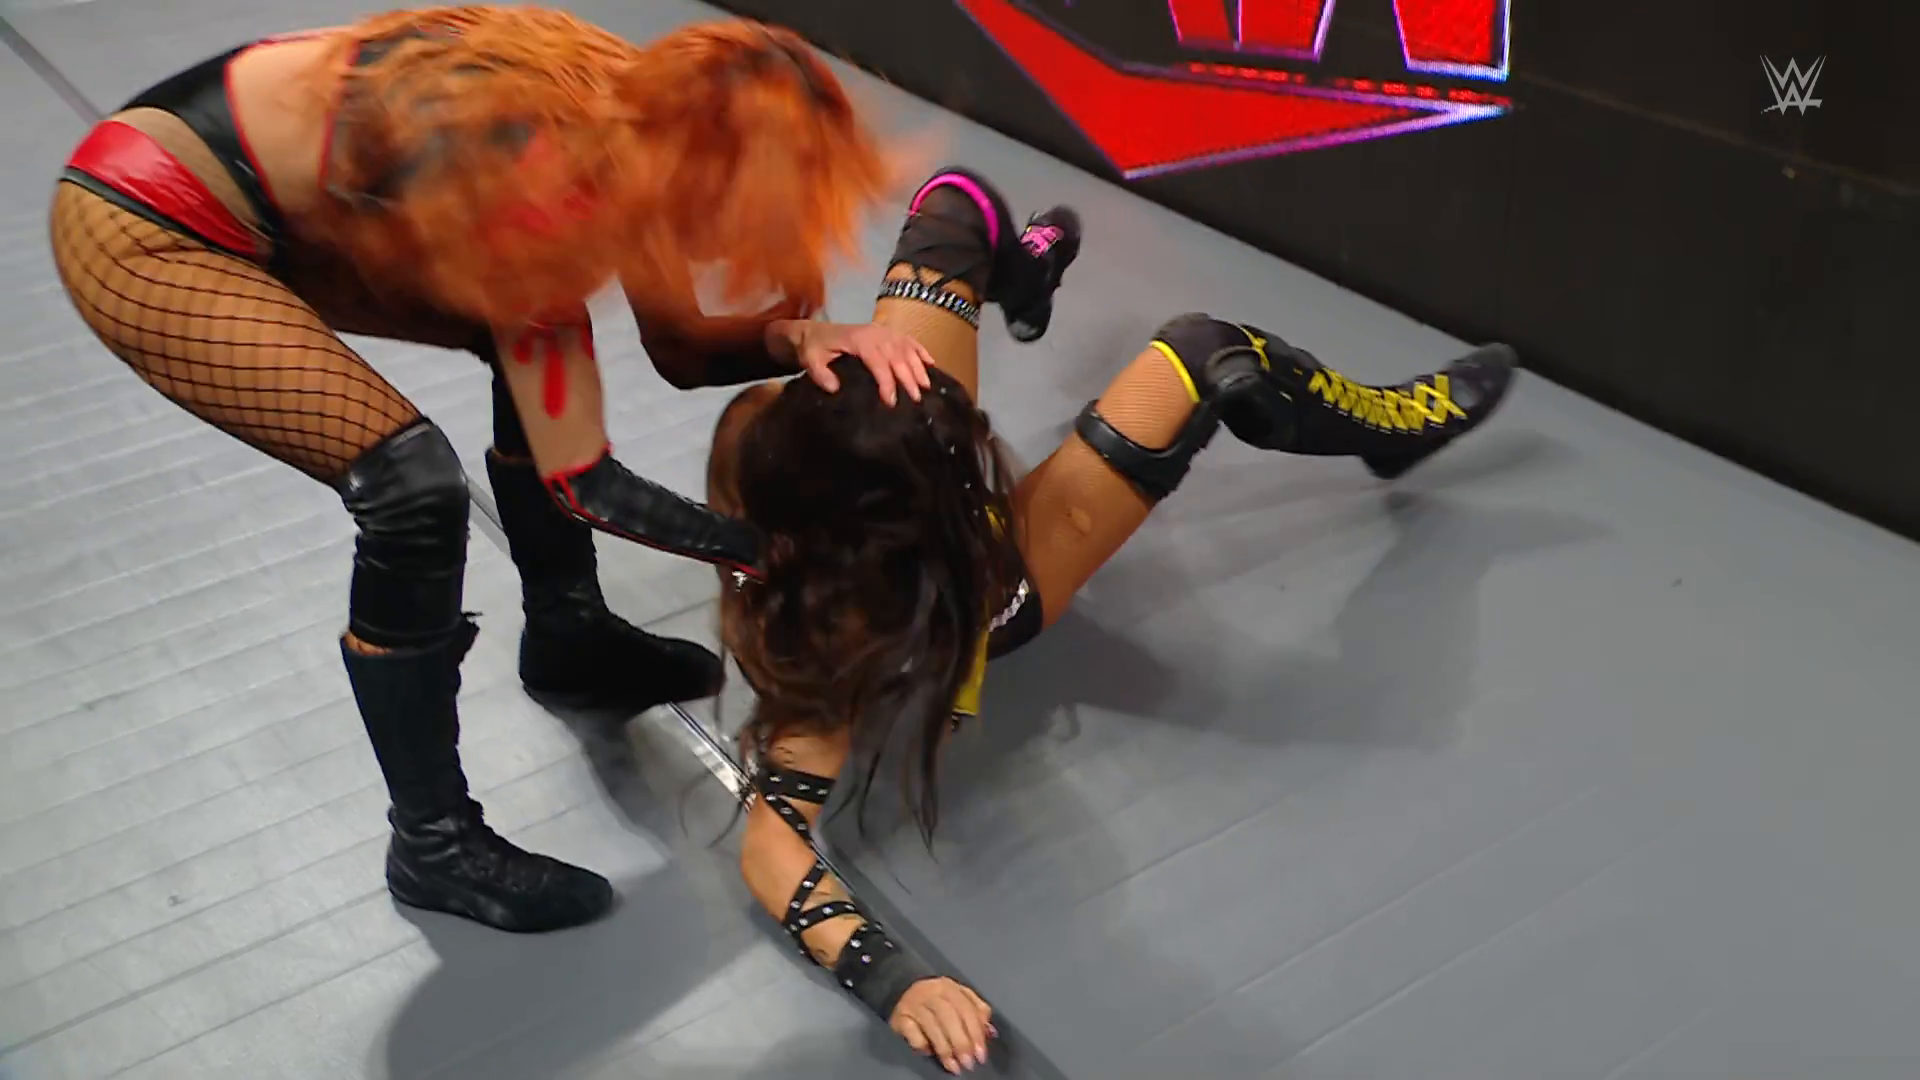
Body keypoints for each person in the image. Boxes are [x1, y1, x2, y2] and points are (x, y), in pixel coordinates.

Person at [45, 5, 937, 935]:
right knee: (411, 487)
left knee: (539, 334)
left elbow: (677, 349)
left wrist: (805, 338)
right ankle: (431, 843)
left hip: (288, 201)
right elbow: (583, 482)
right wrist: (776, 554)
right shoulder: (539, 163)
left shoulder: (647, 123)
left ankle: (569, 639)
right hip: (143, 226)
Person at [703, 167, 1517, 1073]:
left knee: (954, 204)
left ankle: (1023, 280)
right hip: (990, 590)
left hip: (911, 494)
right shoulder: (840, 636)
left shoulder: (782, 433)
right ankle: (1401, 426)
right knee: (1206, 353)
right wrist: (893, 979)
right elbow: (771, 842)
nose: (980, 432)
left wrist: (817, 340)